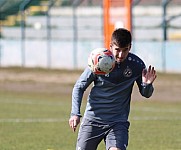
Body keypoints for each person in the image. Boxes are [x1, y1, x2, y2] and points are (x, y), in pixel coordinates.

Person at [69, 28, 157, 150]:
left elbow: (146, 94)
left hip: (118, 122)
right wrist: (75, 113)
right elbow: (79, 87)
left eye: (125, 50)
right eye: (117, 50)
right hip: (92, 121)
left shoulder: (136, 65)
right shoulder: (99, 61)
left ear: (130, 47)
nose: (121, 55)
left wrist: (147, 85)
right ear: (111, 46)